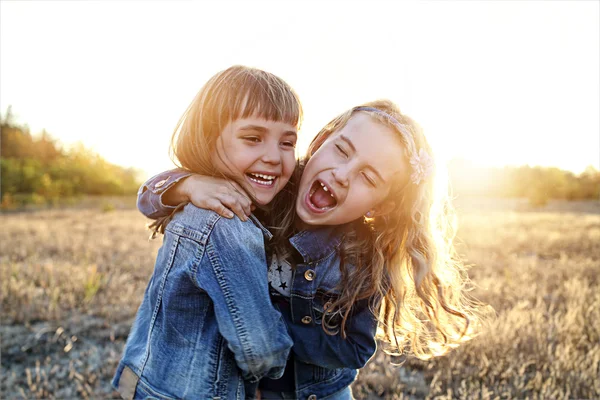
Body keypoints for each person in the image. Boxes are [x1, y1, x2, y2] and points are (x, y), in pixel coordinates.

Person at [139, 100, 490, 399]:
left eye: (369, 178)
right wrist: (186, 185)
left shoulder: (363, 257)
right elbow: (149, 198)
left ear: (380, 206)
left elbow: (356, 347)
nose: (341, 174)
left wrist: (269, 326)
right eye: (341, 150)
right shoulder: (264, 191)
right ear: (320, 142)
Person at [112, 65, 303, 399]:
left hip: (151, 379)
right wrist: (270, 377)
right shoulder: (223, 220)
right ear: (208, 138)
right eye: (253, 138)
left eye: (287, 142)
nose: (274, 156)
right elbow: (259, 348)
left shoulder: (212, 201)